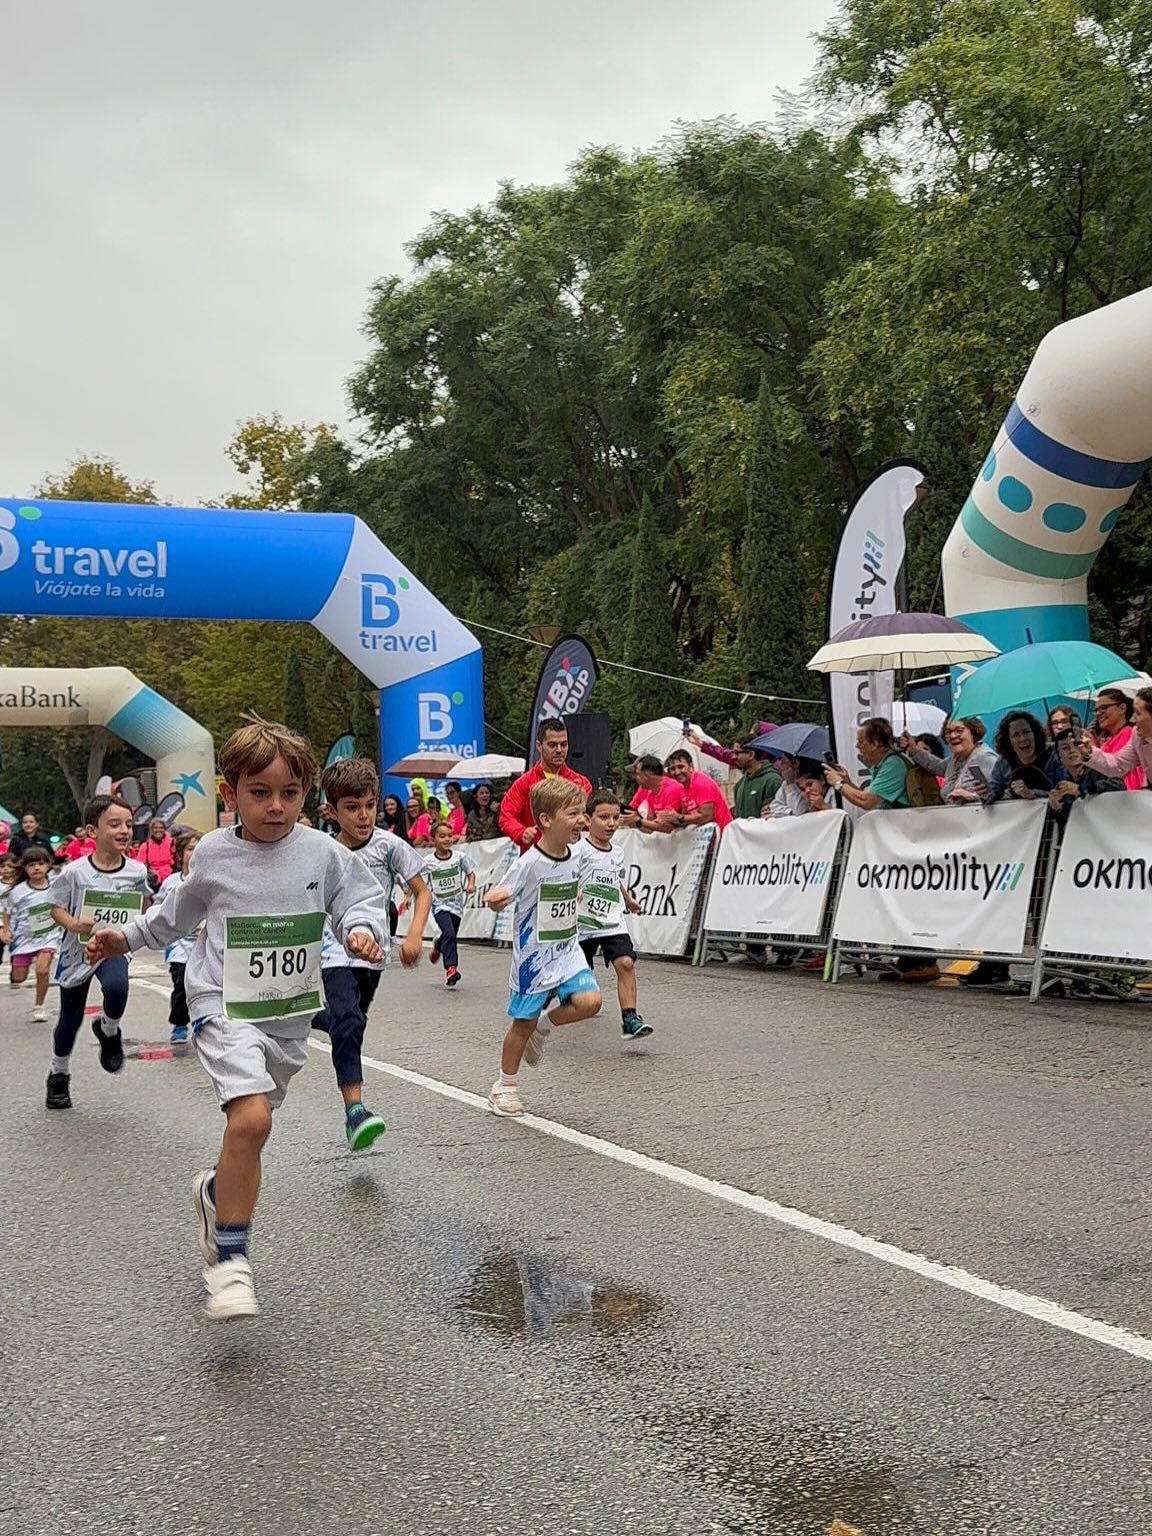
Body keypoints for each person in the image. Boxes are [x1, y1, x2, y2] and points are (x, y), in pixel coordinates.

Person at [86, 718, 390, 1320]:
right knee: (249, 1118)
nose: (275, 807)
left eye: (290, 794)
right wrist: (124, 937)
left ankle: (214, 1194)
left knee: (253, 1128)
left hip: (285, 1014)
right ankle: (229, 1263)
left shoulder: (323, 852)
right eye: (259, 793)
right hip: (221, 1003)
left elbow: (359, 896)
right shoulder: (217, 855)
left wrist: (361, 929)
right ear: (230, 793)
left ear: (307, 796)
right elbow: (173, 916)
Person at [309, 756, 430, 1147]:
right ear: (331, 810)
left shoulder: (390, 846)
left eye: (369, 806)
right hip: (333, 952)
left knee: (350, 1022)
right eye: (352, 807)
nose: (363, 816)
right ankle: (355, 1111)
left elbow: (421, 890)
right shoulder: (323, 851)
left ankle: (309, 1015)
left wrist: (414, 936)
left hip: (373, 954)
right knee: (347, 1022)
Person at [483, 777, 602, 1117]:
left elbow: (572, 881)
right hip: (534, 960)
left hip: (567, 951)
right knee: (522, 1024)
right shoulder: (529, 863)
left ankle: (545, 1028)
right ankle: (503, 1086)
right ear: (547, 820)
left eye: (583, 813)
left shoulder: (577, 852)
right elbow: (502, 894)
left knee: (590, 1002)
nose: (582, 820)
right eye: (574, 814)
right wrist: (497, 898)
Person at [44, 795, 152, 1110]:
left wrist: (138, 922)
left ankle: (109, 1030)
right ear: (93, 831)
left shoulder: (136, 870)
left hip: (113, 947)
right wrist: (76, 925)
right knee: (70, 1018)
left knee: (118, 987)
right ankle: (58, 1074)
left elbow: (143, 905)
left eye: (129, 825)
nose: (124, 831)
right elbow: (55, 909)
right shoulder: (74, 872)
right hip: (77, 953)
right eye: (114, 824)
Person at [826, 720, 938, 984]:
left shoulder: (893, 765)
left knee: (910, 902)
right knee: (899, 902)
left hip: (908, 843)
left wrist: (839, 786)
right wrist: (849, 781)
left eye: (861, 742)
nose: (857, 747)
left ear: (876, 743)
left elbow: (868, 801)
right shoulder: (882, 766)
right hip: (897, 845)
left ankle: (923, 960)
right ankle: (907, 959)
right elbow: (872, 795)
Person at [579, 790, 649, 1040]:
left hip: (611, 918)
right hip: (582, 923)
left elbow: (615, 877)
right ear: (588, 820)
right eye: (603, 817)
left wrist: (628, 900)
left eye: (615, 817)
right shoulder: (578, 850)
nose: (610, 823)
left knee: (626, 963)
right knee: (578, 978)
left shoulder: (617, 852)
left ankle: (630, 1018)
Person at [499, 717, 592, 854]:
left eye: (564, 744)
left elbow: (590, 819)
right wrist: (521, 832)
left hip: (572, 858)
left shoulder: (581, 782)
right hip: (536, 857)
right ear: (539, 745)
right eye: (552, 745)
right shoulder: (523, 783)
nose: (559, 750)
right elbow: (506, 816)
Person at [2, 848, 63, 1022]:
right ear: (25, 868)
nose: (37, 868)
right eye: (32, 865)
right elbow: (7, 912)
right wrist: (6, 930)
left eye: (41, 864)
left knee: (42, 970)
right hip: (23, 938)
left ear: (48, 865)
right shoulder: (18, 891)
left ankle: (39, 1006)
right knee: (19, 977)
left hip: (48, 936)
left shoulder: (56, 885)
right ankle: (17, 971)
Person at [155, 831, 200, 1044]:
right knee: (182, 983)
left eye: (199, 849)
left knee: (205, 985)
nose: (194, 853)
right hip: (179, 946)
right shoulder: (171, 882)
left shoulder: (211, 880)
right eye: (190, 849)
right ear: (180, 855)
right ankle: (180, 1023)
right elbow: (157, 910)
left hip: (206, 945)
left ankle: (204, 1020)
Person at [424, 820, 476, 988]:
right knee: (450, 934)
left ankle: (439, 945)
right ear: (434, 839)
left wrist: (470, 884)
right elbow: (417, 879)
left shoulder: (460, 858)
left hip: (457, 906)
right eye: (442, 836)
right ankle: (451, 968)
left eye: (450, 836)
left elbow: (470, 873)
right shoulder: (428, 861)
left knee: (449, 934)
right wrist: (410, 894)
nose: (447, 839)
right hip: (439, 905)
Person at [904, 718, 999, 804]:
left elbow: (1006, 795)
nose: (952, 736)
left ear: (973, 733)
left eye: (959, 731)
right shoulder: (955, 759)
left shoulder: (985, 758)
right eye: (948, 732)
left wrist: (973, 797)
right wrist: (913, 750)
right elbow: (936, 766)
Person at [1048, 729, 1125, 824]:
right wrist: (1057, 808)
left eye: (1076, 745)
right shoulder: (1062, 784)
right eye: (1065, 748)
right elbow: (1068, 822)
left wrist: (1082, 789)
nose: (1072, 751)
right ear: (1058, 755)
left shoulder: (1099, 769)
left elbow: (1119, 785)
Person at [1084, 685, 1152, 789]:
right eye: (1096, 709)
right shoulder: (1137, 736)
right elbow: (1117, 765)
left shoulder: (1128, 732)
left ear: (1122, 708)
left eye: (1138, 713)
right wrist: (1089, 752)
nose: (1132, 720)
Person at [664, 749, 733, 830]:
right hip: (704, 836)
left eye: (680, 767)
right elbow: (686, 815)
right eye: (672, 769)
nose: (677, 772)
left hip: (723, 834)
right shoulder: (683, 788)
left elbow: (706, 816)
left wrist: (678, 818)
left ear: (691, 766)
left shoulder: (701, 783)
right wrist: (668, 818)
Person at [989, 712, 1051, 801]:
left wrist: (1032, 793)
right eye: (1016, 735)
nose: (1023, 738)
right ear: (1008, 741)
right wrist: (984, 794)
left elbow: (1063, 793)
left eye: (1026, 732)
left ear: (1035, 733)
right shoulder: (1003, 762)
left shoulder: (1054, 754)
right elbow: (993, 792)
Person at [621, 754, 687, 833]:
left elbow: (668, 828)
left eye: (638, 774)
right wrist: (634, 821)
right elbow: (650, 826)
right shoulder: (651, 791)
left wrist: (638, 821)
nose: (635, 777)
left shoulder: (672, 789)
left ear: (647, 775)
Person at [731, 740, 782, 820]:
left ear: (751, 755)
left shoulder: (773, 781)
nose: (733, 757)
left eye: (737, 753)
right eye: (733, 753)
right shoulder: (739, 784)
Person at [135, 815, 175, 888]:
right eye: (155, 828)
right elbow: (139, 864)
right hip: (152, 880)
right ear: (151, 830)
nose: (158, 830)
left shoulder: (172, 843)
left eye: (161, 828)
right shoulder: (145, 846)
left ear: (164, 829)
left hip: (169, 879)